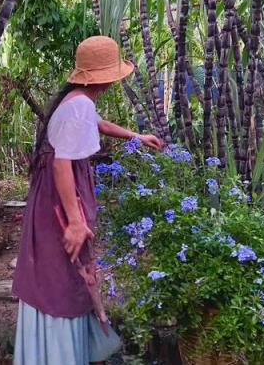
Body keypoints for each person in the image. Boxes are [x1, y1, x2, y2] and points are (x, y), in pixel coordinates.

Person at [12, 36, 164, 364]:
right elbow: (61, 162)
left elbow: (99, 125)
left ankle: (54, 353)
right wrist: (76, 222)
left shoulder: (77, 101)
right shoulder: (78, 105)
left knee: (59, 275)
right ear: (107, 77)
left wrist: (136, 136)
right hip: (60, 206)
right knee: (61, 279)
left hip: (49, 203)